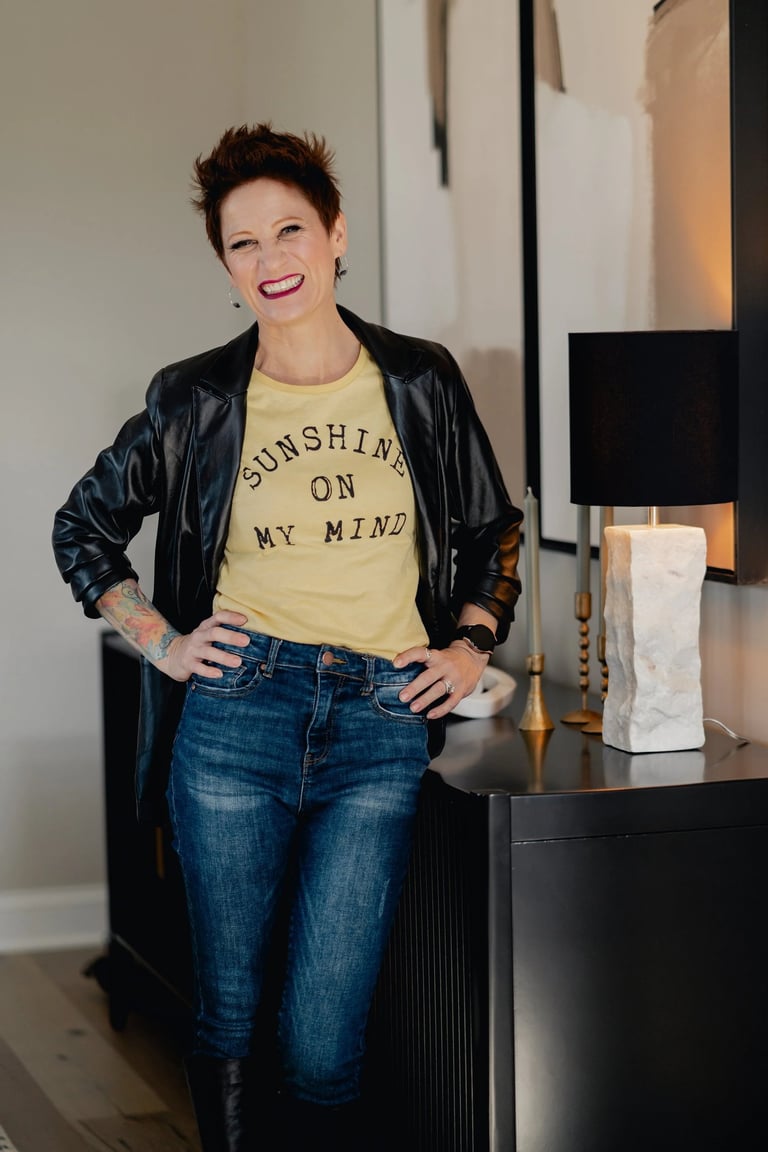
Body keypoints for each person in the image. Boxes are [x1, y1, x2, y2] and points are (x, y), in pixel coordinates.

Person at [53, 124, 522, 1151]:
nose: (271, 259)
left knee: (321, 1039)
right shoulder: (194, 399)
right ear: (225, 265)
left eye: (290, 230)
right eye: (244, 243)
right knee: (229, 1013)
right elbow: (83, 527)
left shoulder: (420, 379)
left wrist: (470, 645)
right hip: (236, 718)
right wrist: (165, 643)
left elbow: (492, 528)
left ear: (336, 233)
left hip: (379, 722)